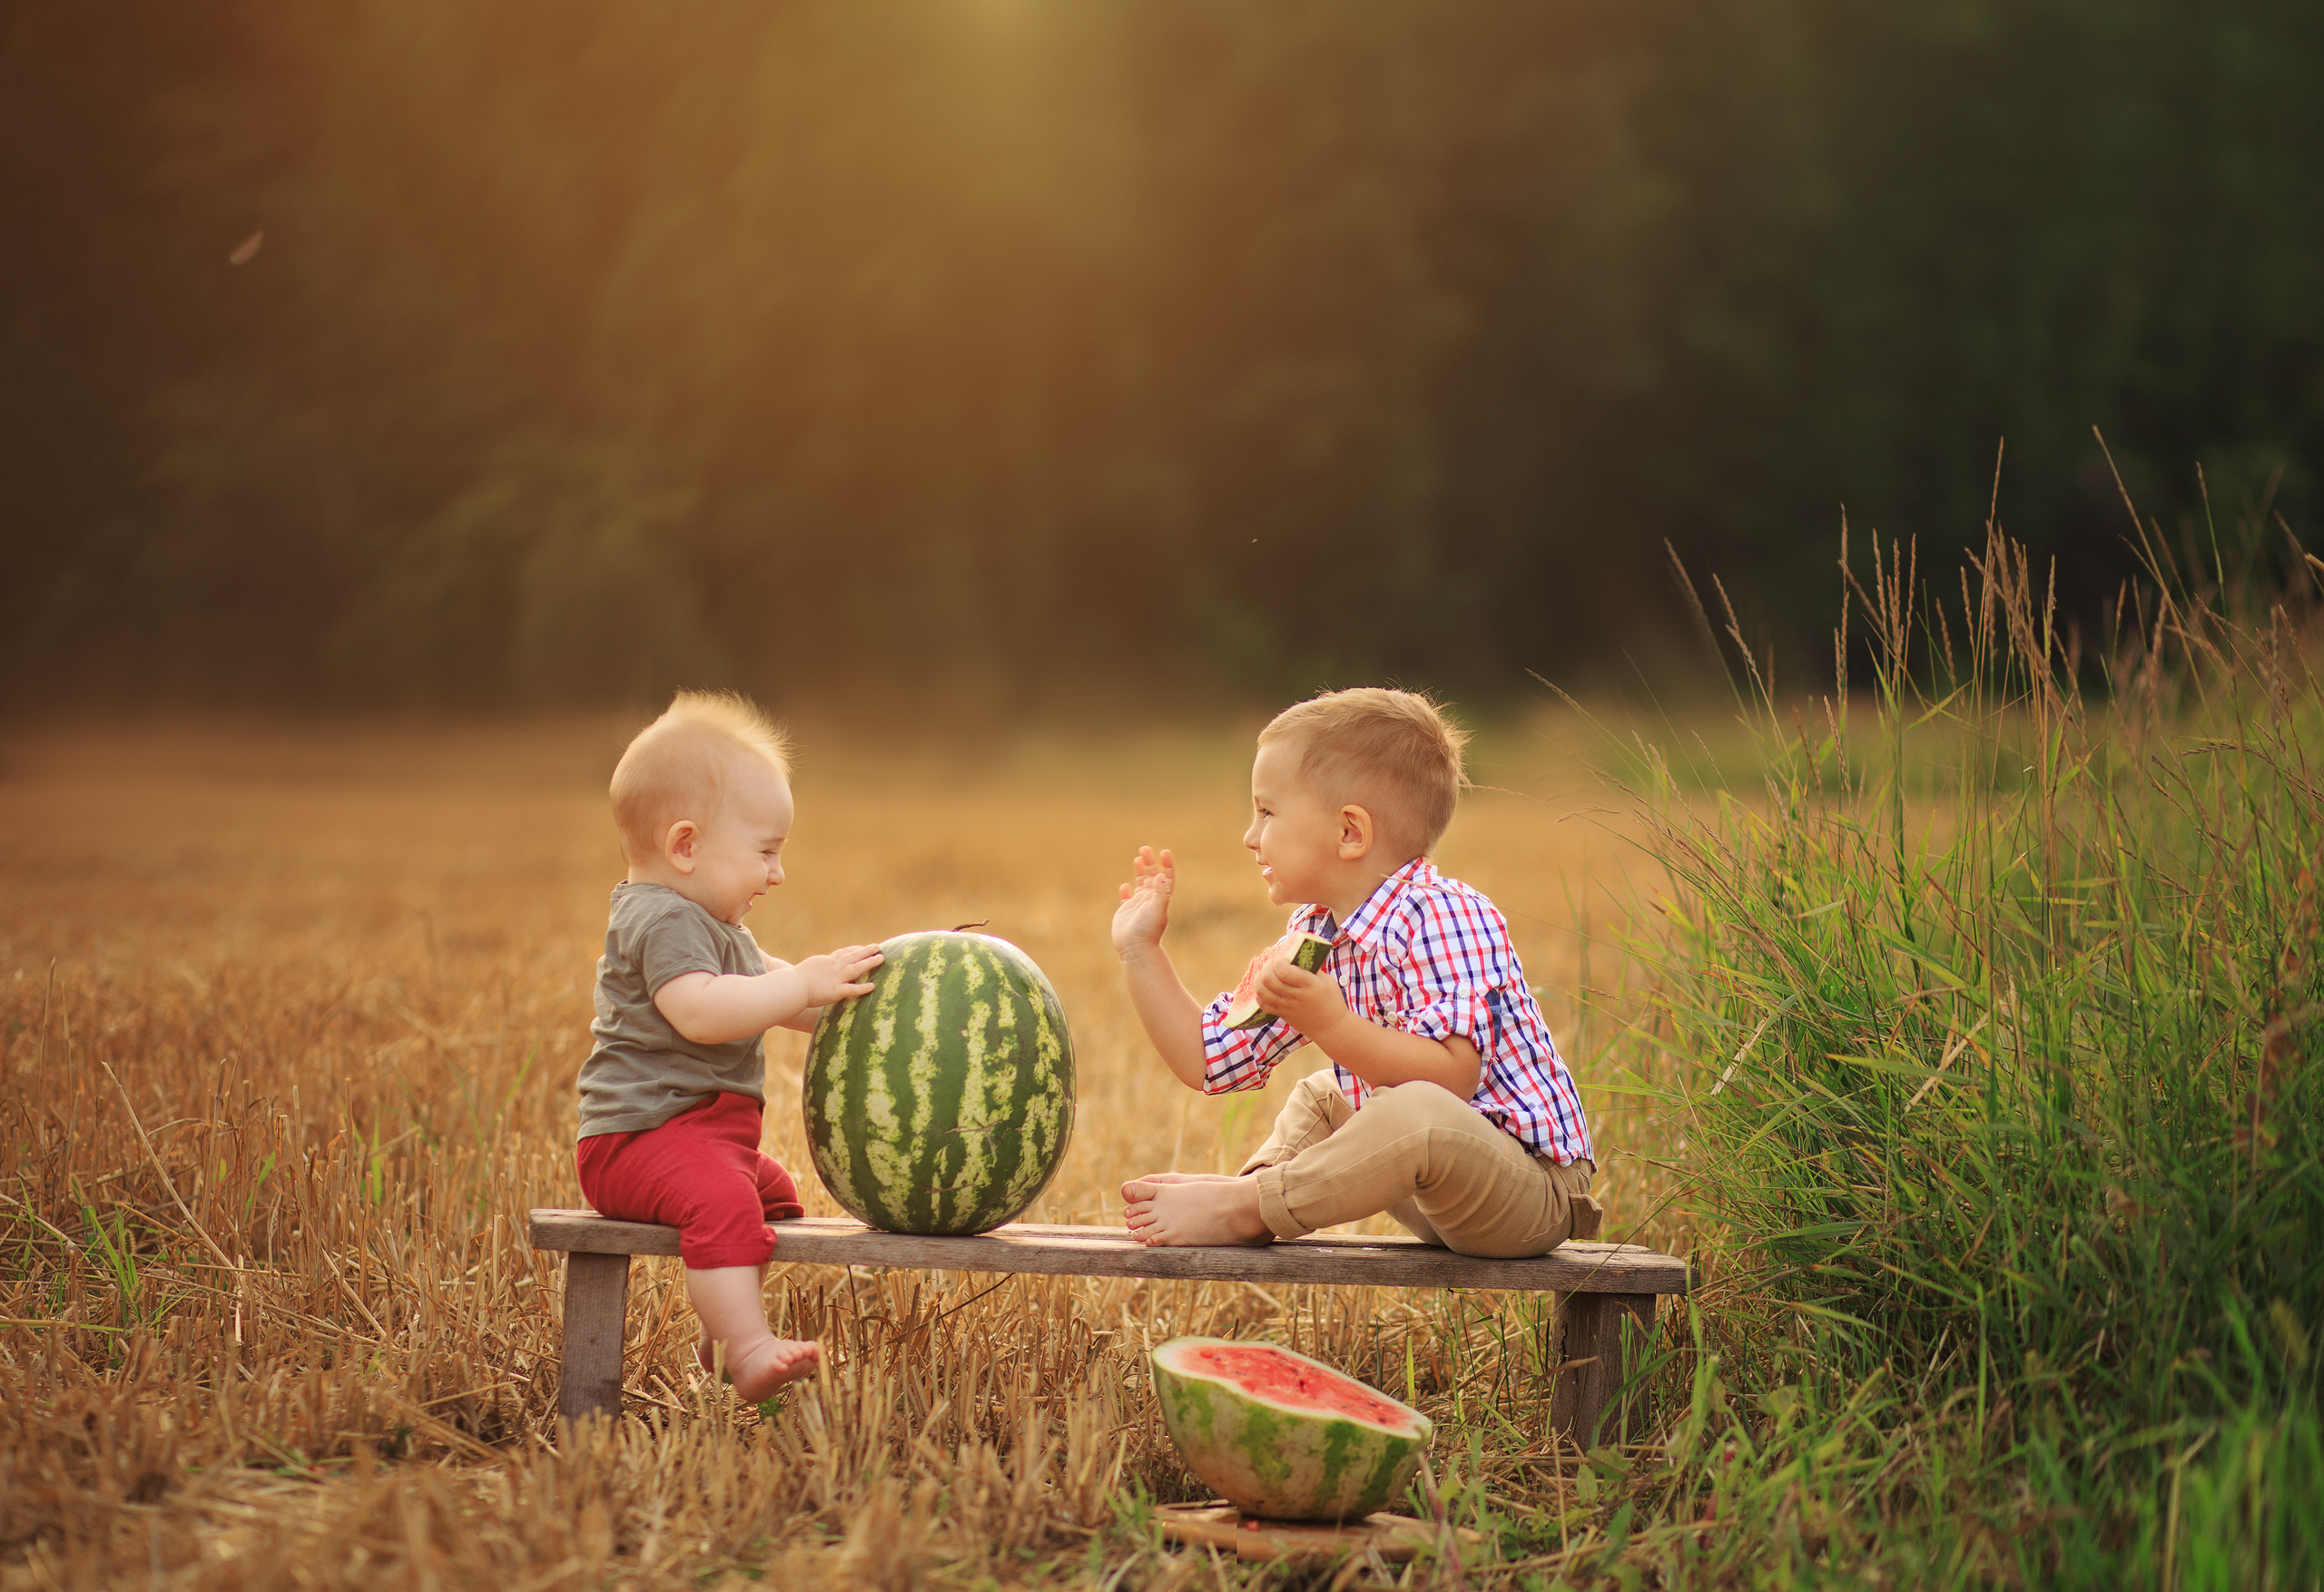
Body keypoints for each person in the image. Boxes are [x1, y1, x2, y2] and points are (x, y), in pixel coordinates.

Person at [1112, 687, 1594, 1255]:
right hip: (1431, 1190)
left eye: (1267, 811)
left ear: (1349, 833)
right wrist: (1140, 951)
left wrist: (1331, 1023)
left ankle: (1243, 1207)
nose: (1250, 836)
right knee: (1324, 1095)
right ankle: (1255, 1195)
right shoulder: (1315, 934)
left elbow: (1450, 1082)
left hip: (1529, 1192)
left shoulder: (1444, 914)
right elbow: (1208, 1059)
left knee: (1414, 1109)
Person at [575, 691, 883, 1400]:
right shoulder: (662, 921)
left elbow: (776, 994)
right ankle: (744, 1347)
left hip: (695, 1135)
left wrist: (848, 1006)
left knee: (771, 1195)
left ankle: (722, 1329)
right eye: (766, 852)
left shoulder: (713, 924)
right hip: (639, 1137)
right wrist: (800, 981)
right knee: (724, 1201)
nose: (778, 873)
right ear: (685, 846)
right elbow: (702, 1013)